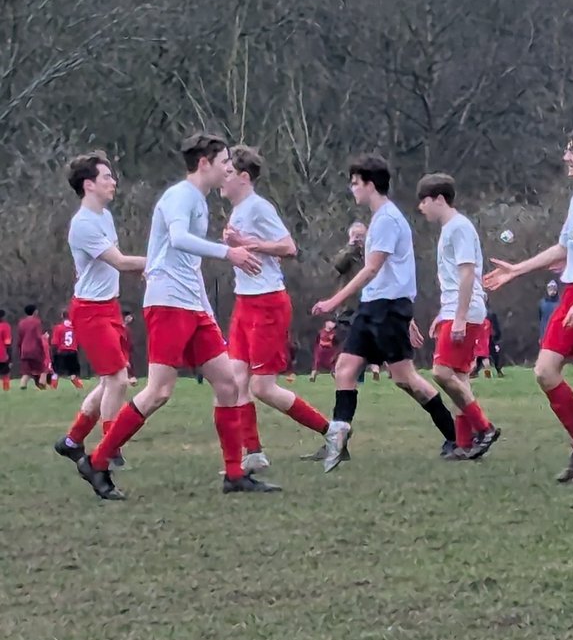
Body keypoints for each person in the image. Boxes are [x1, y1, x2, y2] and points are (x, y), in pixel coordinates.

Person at [75, 132, 272, 500]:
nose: (228, 169)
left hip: (192, 306)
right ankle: (97, 461)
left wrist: (205, 309)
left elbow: (190, 262)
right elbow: (180, 240)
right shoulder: (180, 197)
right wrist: (228, 254)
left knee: (228, 383)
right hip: (167, 303)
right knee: (159, 391)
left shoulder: (198, 199)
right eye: (223, 162)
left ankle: (234, 474)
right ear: (204, 163)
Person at [485, 123, 573, 484]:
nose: (566, 156)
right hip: (572, 292)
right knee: (545, 371)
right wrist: (517, 269)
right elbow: (564, 248)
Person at [310, 154, 457, 471]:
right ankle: (337, 445)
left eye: (355, 183)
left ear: (370, 184)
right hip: (372, 307)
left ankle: (454, 435)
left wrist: (334, 302)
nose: (352, 189)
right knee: (345, 370)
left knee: (405, 379)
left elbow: (373, 268)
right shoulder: (379, 220)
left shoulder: (389, 220)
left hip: (387, 309)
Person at [221, 146, 332, 473]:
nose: (221, 181)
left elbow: (288, 247)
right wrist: (232, 241)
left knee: (262, 387)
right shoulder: (238, 210)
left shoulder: (258, 207)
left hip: (267, 301)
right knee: (237, 378)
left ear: (244, 178)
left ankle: (331, 431)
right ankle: (252, 452)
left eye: (227, 174)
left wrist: (249, 244)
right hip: (244, 301)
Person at [53, 153, 147, 473]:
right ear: (89, 184)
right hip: (91, 312)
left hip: (109, 306)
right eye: (107, 177)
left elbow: (117, 264)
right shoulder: (82, 224)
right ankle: (111, 447)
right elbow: (119, 261)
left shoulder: (104, 216)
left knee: (111, 380)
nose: (113, 182)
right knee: (118, 379)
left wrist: (142, 271)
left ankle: (72, 440)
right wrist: (157, 263)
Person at [416, 173, 501, 460]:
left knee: (442, 373)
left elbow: (467, 274)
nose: (421, 207)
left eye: (424, 201)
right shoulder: (449, 229)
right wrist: (444, 313)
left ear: (439, 199)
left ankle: (484, 428)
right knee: (461, 378)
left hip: (464, 310)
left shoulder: (459, 228)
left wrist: (459, 317)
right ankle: (464, 444)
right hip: (454, 308)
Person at [51, 311, 84, 389]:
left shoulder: (59, 328)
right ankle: (79, 387)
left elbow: (55, 342)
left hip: (62, 351)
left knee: (56, 372)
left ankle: (53, 388)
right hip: (73, 351)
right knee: (73, 373)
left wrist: (54, 353)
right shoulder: (75, 328)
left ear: (62, 316)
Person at [17, 305, 48, 389]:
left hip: (24, 350)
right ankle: (43, 386)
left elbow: (20, 338)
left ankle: (23, 386)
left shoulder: (21, 323)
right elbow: (38, 337)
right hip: (35, 350)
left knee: (26, 372)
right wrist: (44, 340)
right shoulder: (36, 322)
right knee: (43, 370)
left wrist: (20, 350)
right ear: (35, 312)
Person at [122, 310, 138, 386]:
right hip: (122, 350)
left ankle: (131, 377)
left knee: (129, 363)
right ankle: (130, 378)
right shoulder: (121, 328)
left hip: (127, 349)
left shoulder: (126, 328)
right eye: (129, 316)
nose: (130, 318)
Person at [0, 309, 10, 391]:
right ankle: (6, 388)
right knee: (5, 373)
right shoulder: (5, 326)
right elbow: (7, 342)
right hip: (2, 353)